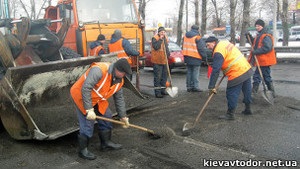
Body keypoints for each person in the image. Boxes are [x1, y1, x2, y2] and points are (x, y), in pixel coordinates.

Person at [70, 58, 131, 160]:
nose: (124, 75)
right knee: (88, 121)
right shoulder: (99, 70)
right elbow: (86, 88)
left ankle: (106, 143)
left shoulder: (120, 80)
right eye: (123, 73)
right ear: (116, 69)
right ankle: (83, 151)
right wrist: (89, 109)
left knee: (106, 115)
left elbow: (119, 98)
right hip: (82, 95)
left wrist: (123, 116)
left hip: (98, 98)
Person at [205, 36, 253, 120]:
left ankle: (230, 114)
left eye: (208, 45)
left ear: (214, 42)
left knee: (231, 93)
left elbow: (216, 70)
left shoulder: (218, 52)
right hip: (246, 68)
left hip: (236, 72)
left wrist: (211, 86)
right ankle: (248, 108)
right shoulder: (224, 43)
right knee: (247, 90)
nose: (208, 47)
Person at [248, 19, 277, 97]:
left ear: (262, 26)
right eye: (256, 26)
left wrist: (256, 52)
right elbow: (256, 43)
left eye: (258, 26)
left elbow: (267, 48)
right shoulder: (260, 34)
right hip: (261, 60)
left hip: (265, 60)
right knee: (264, 76)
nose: (257, 27)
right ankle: (271, 92)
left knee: (259, 76)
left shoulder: (266, 35)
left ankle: (254, 92)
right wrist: (249, 37)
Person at [182, 25, 207, 92]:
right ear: (198, 30)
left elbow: (183, 46)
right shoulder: (197, 37)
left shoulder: (185, 36)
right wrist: (204, 57)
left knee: (189, 72)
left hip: (187, 56)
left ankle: (189, 87)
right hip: (196, 57)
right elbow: (201, 49)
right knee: (195, 73)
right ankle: (195, 87)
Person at [150, 26, 170, 98]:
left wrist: (168, 54)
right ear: (159, 32)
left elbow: (166, 47)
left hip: (164, 60)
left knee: (164, 77)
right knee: (157, 77)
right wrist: (160, 40)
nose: (163, 33)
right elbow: (156, 47)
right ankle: (157, 92)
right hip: (157, 61)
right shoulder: (155, 38)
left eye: (164, 32)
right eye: (162, 32)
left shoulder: (165, 38)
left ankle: (163, 90)